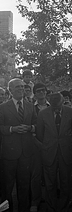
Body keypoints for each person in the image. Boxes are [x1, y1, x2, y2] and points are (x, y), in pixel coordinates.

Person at [36, 92, 72, 212]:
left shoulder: (71, 112)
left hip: (65, 151)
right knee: (50, 182)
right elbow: (40, 134)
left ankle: (64, 207)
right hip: (49, 152)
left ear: (62, 102)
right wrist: (49, 145)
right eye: (54, 107)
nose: (56, 109)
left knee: (66, 181)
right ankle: (51, 207)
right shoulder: (42, 113)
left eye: (58, 107)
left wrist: (65, 142)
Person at [0, 78, 37, 212]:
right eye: (18, 87)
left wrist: (30, 128)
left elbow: (37, 125)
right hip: (9, 153)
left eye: (23, 87)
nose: (21, 89)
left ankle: (24, 209)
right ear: (10, 90)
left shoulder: (30, 106)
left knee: (24, 185)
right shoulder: (3, 108)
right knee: (7, 186)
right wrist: (12, 129)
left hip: (26, 153)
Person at [30, 83, 50, 212]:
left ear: (46, 92)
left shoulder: (53, 107)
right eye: (38, 91)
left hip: (51, 146)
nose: (41, 93)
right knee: (36, 175)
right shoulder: (31, 108)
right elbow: (30, 127)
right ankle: (35, 201)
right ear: (35, 94)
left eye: (43, 90)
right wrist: (37, 143)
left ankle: (50, 201)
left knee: (50, 174)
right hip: (36, 145)